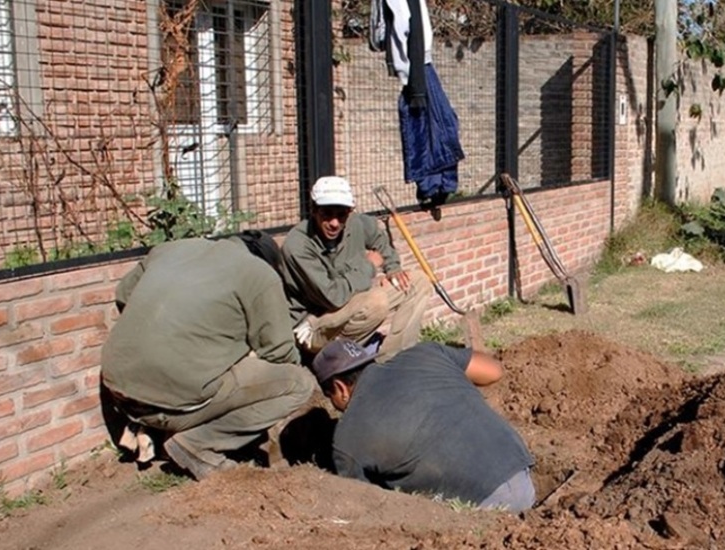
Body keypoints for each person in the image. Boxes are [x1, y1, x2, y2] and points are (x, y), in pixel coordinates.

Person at [100, 231, 316, 480]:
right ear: (268, 261)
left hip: (117, 389)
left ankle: (152, 427)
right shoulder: (259, 273)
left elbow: (123, 295)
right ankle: (196, 444)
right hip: (171, 405)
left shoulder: (172, 248)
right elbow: (279, 353)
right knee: (299, 383)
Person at [312, 338, 536, 513]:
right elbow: (494, 370)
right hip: (520, 470)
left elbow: (365, 503)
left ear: (340, 388)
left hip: (482, 506)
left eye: (328, 396)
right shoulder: (425, 353)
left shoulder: (346, 439)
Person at [280, 176, 432, 362]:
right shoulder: (298, 245)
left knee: (417, 282)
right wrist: (368, 266)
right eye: (326, 213)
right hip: (314, 323)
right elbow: (333, 297)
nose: (335, 223)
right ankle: (332, 363)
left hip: (351, 303)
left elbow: (379, 240)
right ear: (314, 210)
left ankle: (395, 358)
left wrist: (392, 268)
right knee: (376, 302)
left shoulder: (357, 223)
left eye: (341, 214)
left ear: (350, 212)